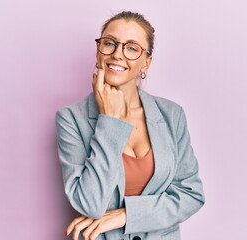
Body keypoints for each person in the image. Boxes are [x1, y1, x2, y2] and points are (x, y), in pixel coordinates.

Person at [55, 11, 205, 240]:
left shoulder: (171, 115)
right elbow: (90, 204)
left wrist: (125, 216)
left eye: (132, 48)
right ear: (98, 53)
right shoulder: (71, 119)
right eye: (110, 43)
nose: (117, 54)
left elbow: (191, 194)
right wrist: (109, 122)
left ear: (146, 62)